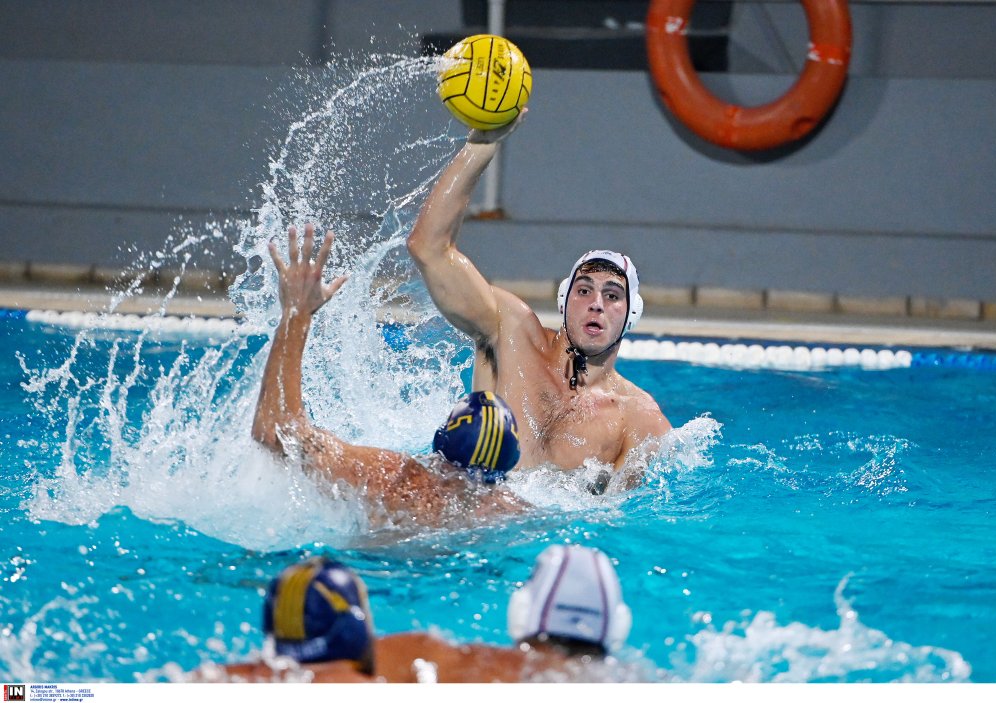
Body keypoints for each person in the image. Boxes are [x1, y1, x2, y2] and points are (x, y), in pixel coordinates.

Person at [407, 117, 672, 479]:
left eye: (612, 295)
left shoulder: (639, 420)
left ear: (631, 315)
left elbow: (623, 514)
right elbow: (428, 248)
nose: (596, 303)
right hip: (465, 502)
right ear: (564, 300)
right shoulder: (508, 330)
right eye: (584, 290)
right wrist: (480, 146)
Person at [251, 223, 526, 529]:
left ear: (440, 444)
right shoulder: (513, 512)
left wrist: (297, 313)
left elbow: (276, 432)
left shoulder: (391, 480)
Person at [210, 545, 633, 683]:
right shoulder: (637, 681)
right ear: (617, 626)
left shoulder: (446, 660)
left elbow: (323, 672)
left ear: (521, 613)